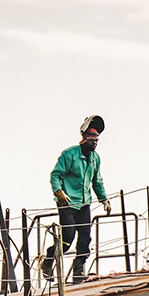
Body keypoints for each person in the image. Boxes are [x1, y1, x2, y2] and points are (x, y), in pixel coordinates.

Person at [42, 115, 111, 283]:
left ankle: (79, 269)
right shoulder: (69, 155)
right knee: (68, 237)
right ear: (84, 137)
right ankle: (48, 260)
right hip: (67, 202)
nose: (95, 141)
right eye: (92, 137)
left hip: (84, 203)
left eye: (97, 138)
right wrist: (59, 192)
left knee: (85, 237)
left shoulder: (95, 159)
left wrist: (104, 199)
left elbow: (97, 181)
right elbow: (56, 175)